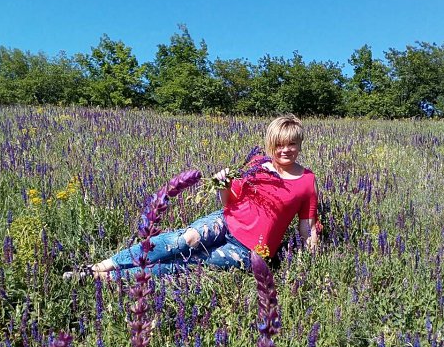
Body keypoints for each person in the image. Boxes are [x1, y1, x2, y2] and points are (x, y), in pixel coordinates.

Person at [70, 114, 319, 280]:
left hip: (248, 250)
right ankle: (102, 266)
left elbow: (306, 228)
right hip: (226, 220)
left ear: (299, 144)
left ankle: (105, 279)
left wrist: (312, 264)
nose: (285, 150)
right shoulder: (256, 164)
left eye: (292, 144)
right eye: (279, 144)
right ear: (270, 144)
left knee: (184, 265)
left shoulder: (307, 180)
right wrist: (223, 184)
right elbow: (228, 202)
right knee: (183, 241)